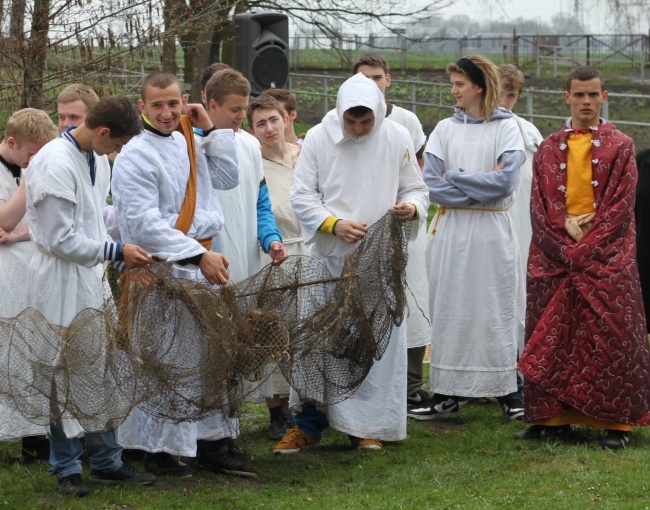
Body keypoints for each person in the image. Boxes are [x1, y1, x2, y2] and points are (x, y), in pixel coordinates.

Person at [273, 72, 428, 454]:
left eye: (366, 120)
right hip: (328, 260)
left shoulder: (396, 137)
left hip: (378, 262)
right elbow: (302, 194)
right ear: (340, 112)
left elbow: (415, 187)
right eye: (351, 120)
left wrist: (411, 207)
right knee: (316, 342)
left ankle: (366, 425)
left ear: (378, 112)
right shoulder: (320, 138)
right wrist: (334, 224)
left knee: (371, 344)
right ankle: (308, 424)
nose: (358, 128)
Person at [111, 72, 257, 478]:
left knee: (210, 358)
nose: (166, 112)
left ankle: (210, 443)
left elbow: (228, 178)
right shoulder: (134, 155)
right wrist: (196, 256)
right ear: (142, 107)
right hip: (163, 270)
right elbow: (141, 224)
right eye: (157, 105)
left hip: (199, 263)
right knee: (165, 360)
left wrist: (209, 129)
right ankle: (157, 448)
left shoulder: (190, 138)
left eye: (173, 103)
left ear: (185, 101)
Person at [24, 95, 155, 496]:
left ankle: (105, 461)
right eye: (115, 144)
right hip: (58, 279)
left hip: (89, 277)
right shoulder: (54, 163)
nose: (116, 152)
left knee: (100, 368)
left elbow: (94, 223)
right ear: (101, 132)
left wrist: (119, 260)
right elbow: (61, 238)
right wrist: (116, 252)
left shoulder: (94, 158)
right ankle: (66, 466)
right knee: (62, 370)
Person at [515, 66, 650, 449]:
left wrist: (586, 247)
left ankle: (616, 424)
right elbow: (539, 206)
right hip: (554, 259)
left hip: (606, 257)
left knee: (612, 336)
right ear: (567, 98)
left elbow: (622, 206)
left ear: (604, 97)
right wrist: (564, 243)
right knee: (553, 338)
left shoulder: (621, 145)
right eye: (579, 95)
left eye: (593, 95)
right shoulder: (548, 147)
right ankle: (553, 419)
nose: (586, 102)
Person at [409, 55, 525, 422]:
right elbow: (431, 185)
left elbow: (506, 182)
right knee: (451, 309)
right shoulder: (444, 128)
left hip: (492, 231)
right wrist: (474, 181)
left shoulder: (507, 129)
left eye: (459, 84)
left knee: (495, 309)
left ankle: (509, 391)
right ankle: (446, 395)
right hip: (451, 231)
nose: (453, 90)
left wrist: (455, 175)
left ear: (478, 86)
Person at [352, 52, 432, 407]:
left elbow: (416, 172)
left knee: (409, 303)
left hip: (399, 230)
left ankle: (411, 384)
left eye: (377, 77)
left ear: (388, 80)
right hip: (357, 232)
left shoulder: (405, 122)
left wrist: (409, 206)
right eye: (364, 78)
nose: (372, 84)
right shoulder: (343, 122)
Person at [0, 108, 58, 463]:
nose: (37, 162)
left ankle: (35, 434)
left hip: (30, 271)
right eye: (33, 154)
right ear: (11, 142)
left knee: (31, 351)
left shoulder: (27, 166)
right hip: (6, 274)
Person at [247, 94, 305, 440]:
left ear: (286, 118)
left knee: (308, 331)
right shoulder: (255, 164)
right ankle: (277, 410)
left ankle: (308, 405)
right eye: (260, 123)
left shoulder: (307, 156)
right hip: (277, 253)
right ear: (252, 130)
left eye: (273, 119)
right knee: (275, 333)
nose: (269, 128)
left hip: (311, 249)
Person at [202, 68, 287, 284]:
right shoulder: (190, 147)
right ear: (213, 105)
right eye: (235, 109)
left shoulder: (250, 146)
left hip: (248, 271)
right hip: (206, 275)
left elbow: (261, 205)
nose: (242, 115)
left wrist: (271, 239)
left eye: (244, 108)